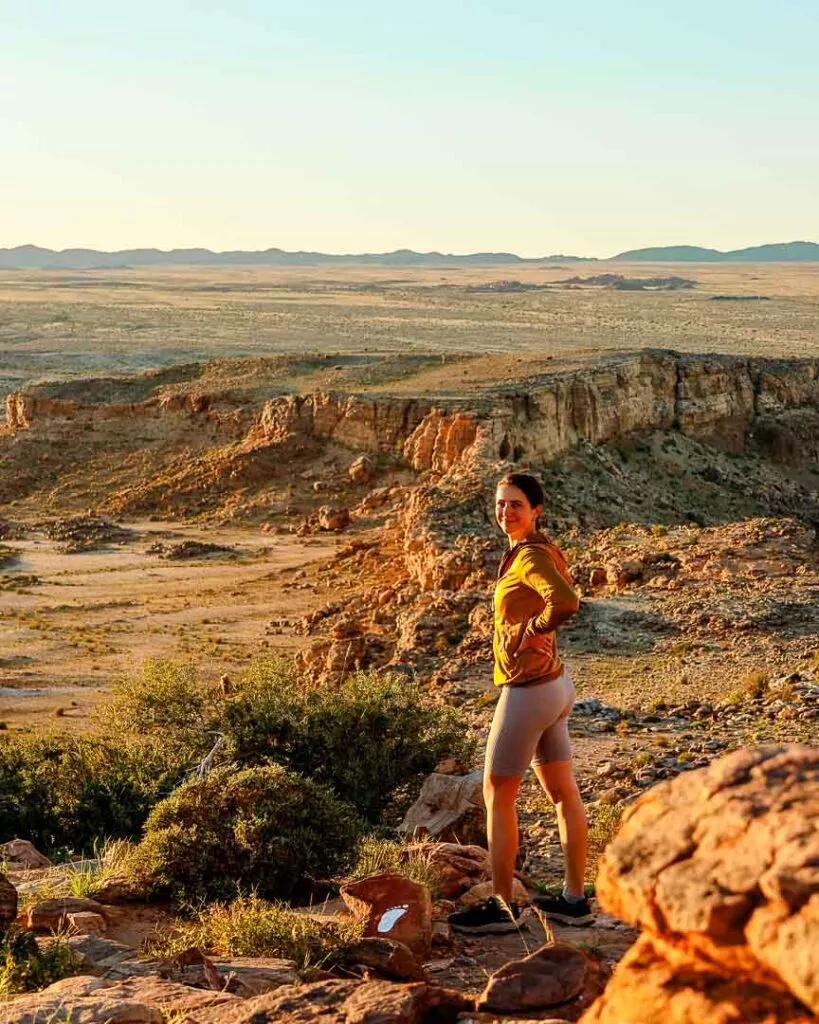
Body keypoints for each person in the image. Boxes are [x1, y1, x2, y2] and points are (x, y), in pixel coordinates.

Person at [448, 472, 592, 934]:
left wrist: (536, 628)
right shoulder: (533, 551)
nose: (506, 512)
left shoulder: (529, 555)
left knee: (498, 793)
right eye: (500, 504)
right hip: (554, 686)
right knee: (562, 792)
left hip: (529, 692)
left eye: (516, 505)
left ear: (536, 511)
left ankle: (501, 907)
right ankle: (574, 900)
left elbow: (567, 601)